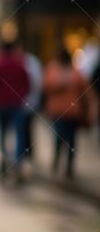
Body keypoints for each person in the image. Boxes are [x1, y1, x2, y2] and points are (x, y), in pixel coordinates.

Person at [43, 49, 97, 178]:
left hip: (72, 113)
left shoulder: (76, 73)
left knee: (71, 140)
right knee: (59, 137)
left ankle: (69, 166)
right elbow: (46, 85)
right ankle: (57, 162)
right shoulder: (53, 70)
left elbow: (88, 91)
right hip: (57, 113)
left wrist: (92, 109)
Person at [0, 40, 30, 177]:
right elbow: (27, 82)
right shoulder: (19, 64)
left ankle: (3, 159)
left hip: (1, 104)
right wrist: (22, 95)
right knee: (19, 133)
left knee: (3, 133)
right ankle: (17, 161)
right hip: (16, 103)